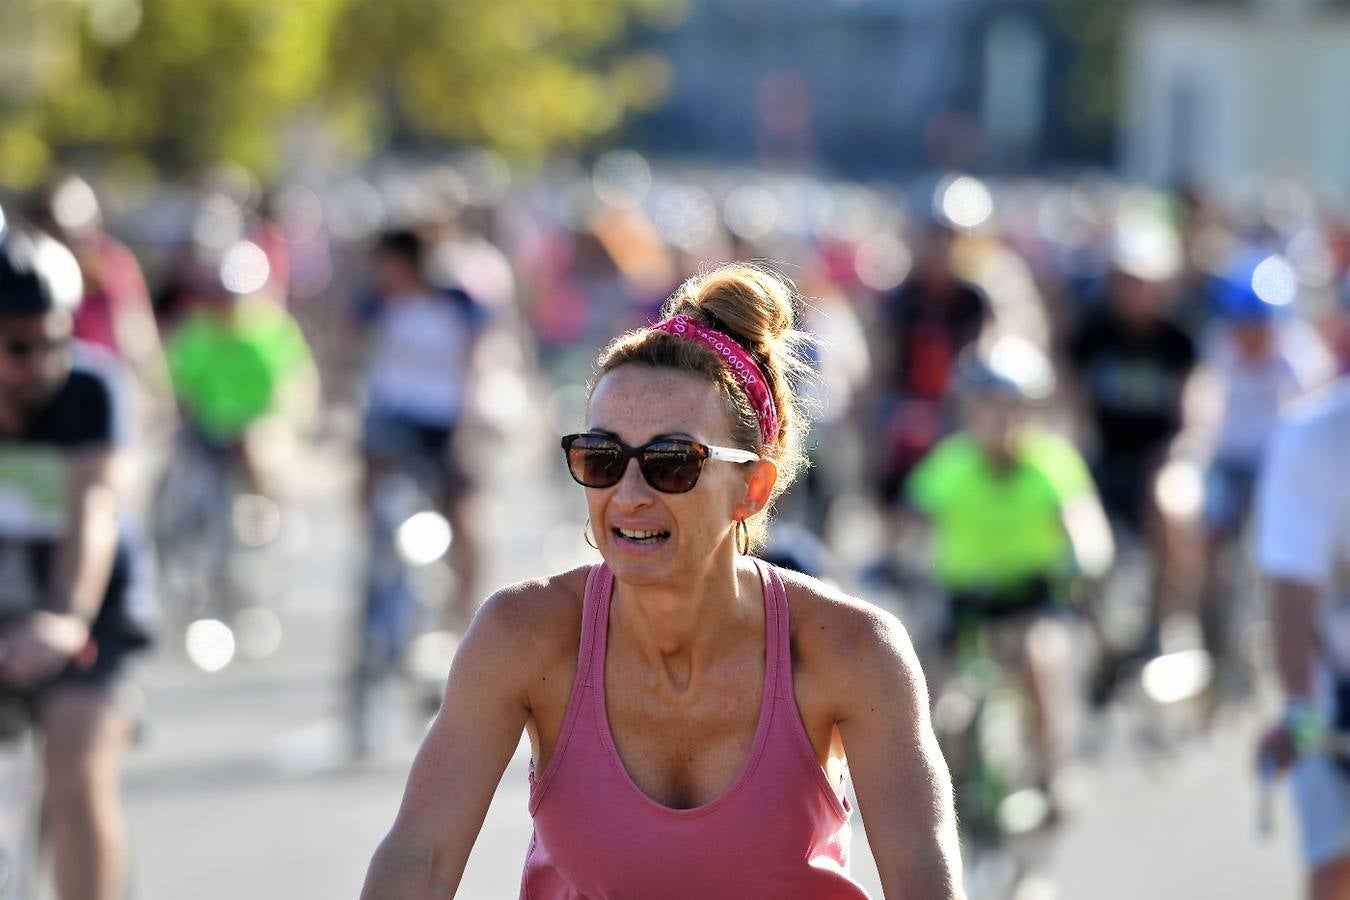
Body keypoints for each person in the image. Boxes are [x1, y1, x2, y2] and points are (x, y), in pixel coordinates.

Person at [359, 264, 963, 899]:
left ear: (752, 488)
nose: (628, 495)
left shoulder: (854, 650)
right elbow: (420, 858)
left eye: (672, 463)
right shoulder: (522, 635)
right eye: (602, 458)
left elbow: (924, 879)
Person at [0, 224, 154, 900]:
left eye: (57, 339)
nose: (43, 361)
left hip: (86, 607)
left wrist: (64, 617)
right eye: (19, 346)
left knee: (73, 766)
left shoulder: (91, 389)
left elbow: (93, 510)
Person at [903, 350, 1112, 809]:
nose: (1000, 419)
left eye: (1011, 407)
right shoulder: (951, 464)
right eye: (988, 406)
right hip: (966, 599)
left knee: (1038, 660)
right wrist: (898, 558)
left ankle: (1049, 769)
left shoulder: (1051, 462)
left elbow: (1083, 519)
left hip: (1029, 595)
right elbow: (911, 521)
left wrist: (1088, 554)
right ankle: (934, 788)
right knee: (923, 682)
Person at [353, 229, 486, 630]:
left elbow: (477, 355)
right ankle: (378, 557)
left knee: (461, 507)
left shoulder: (456, 303)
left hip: (442, 420)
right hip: (392, 415)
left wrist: (474, 415)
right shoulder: (375, 304)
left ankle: (462, 609)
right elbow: (349, 348)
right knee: (369, 478)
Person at [1255, 377, 1350, 900]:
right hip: (1336, 688)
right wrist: (1299, 708)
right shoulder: (1315, 440)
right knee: (1335, 861)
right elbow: (1292, 594)